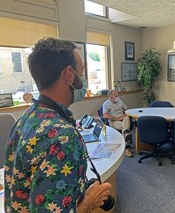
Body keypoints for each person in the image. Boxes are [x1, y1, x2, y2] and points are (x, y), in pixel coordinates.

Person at [4, 38, 111, 212]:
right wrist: (89, 202)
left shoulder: (26, 118)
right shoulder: (63, 137)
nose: (82, 80)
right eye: (81, 72)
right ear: (69, 74)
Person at [102, 89, 133, 157]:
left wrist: (127, 114)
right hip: (114, 121)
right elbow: (105, 115)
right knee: (125, 127)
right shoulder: (106, 104)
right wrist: (117, 118)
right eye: (116, 96)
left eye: (118, 96)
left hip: (123, 119)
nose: (118, 97)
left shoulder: (120, 101)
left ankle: (125, 134)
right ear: (110, 97)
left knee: (126, 118)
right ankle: (127, 147)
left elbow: (127, 109)